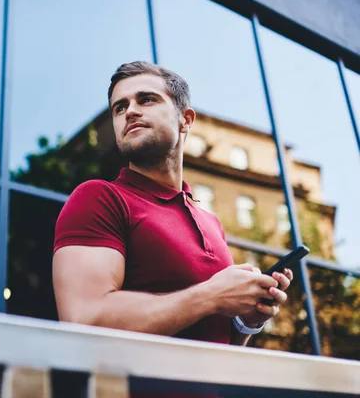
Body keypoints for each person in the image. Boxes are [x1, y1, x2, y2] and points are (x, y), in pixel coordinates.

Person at [52, 61, 293, 348]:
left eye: (147, 99)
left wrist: (247, 321)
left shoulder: (210, 223)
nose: (130, 111)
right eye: (120, 107)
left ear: (185, 120)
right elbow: (84, 319)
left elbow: (217, 343)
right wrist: (212, 296)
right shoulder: (99, 198)